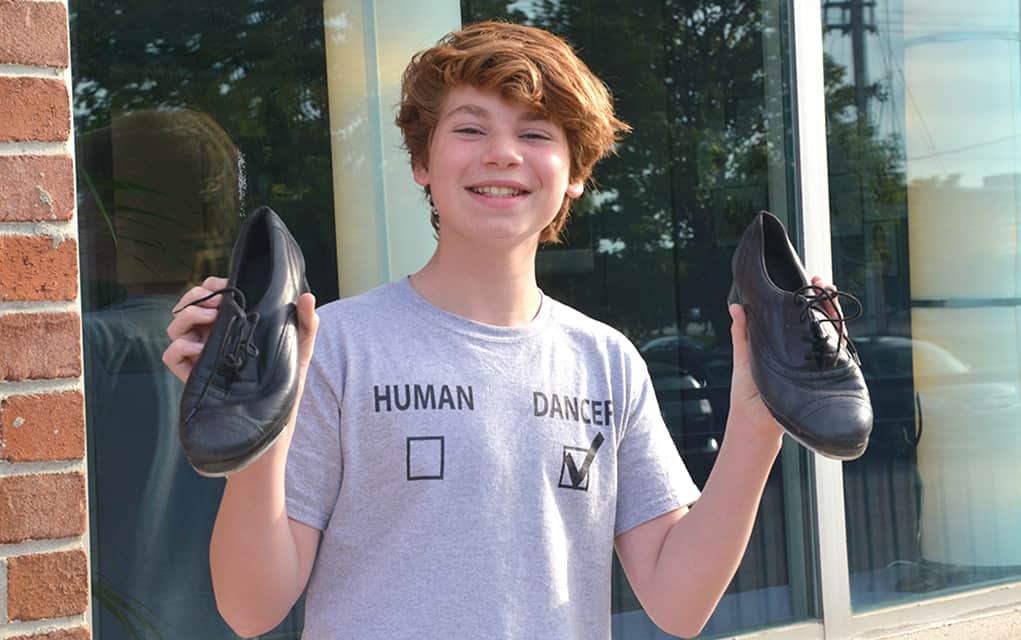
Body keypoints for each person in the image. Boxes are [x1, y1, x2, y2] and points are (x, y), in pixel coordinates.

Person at [162, 21, 836, 639]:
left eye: (536, 134)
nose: (502, 154)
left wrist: (757, 427)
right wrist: (259, 427)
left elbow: (678, 605)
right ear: (422, 163)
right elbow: (251, 609)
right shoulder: (332, 346)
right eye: (470, 129)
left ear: (574, 175)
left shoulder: (606, 360)